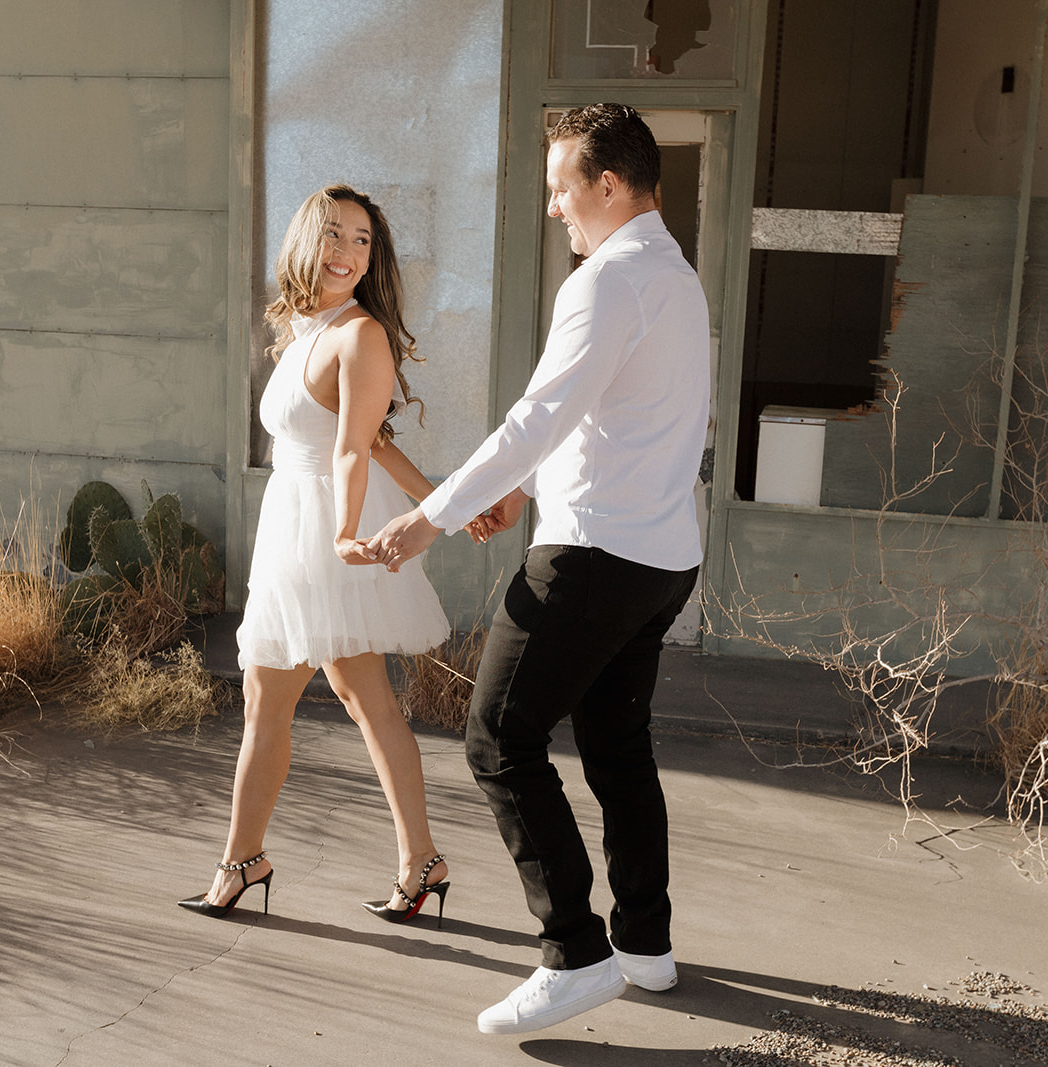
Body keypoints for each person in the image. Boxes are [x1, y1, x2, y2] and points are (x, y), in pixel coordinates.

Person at [367, 104, 711, 1033]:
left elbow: (538, 417)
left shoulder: (607, 283)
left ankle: (575, 952)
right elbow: (610, 420)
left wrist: (427, 517)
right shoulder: (677, 278)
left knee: (497, 737)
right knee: (615, 747)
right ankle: (645, 944)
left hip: (594, 556)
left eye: (562, 187)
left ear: (608, 184)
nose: (555, 206)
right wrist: (521, 494)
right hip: (660, 559)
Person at [179, 184, 458, 927]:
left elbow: (350, 452)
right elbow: (373, 438)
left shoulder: (359, 334)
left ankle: (243, 861)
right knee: (363, 697)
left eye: (362, 240)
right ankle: (420, 861)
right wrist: (442, 502)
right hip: (297, 524)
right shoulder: (309, 327)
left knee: (270, 699)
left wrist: (345, 531)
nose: (346, 251)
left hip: (326, 533)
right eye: (334, 235)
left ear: (374, 257)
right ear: (307, 241)